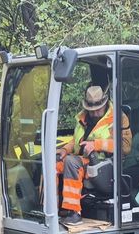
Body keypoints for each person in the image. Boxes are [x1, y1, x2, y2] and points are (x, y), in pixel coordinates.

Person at [55, 85, 132, 225]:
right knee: (55, 163)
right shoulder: (83, 117)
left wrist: (96, 145)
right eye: (91, 110)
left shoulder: (118, 117)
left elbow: (125, 147)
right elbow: (77, 140)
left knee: (71, 163)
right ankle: (54, 209)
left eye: (98, 109)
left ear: (104, 103)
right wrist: (65, 149)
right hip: (83, 159)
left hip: (104, 164)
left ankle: (74, 213)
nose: (95, 113)